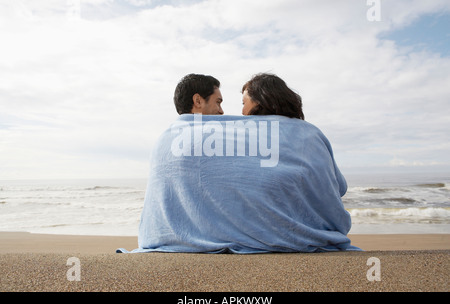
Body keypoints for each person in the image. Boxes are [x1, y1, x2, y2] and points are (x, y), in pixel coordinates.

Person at [117, 72, 361, 254]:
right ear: (198, 101)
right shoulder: (308, 134)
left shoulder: (168, 138)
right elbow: (337, 188)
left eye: (243, 103)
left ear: (261, 102)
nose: (236, 113)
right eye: (220, 102)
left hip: (169, 237)